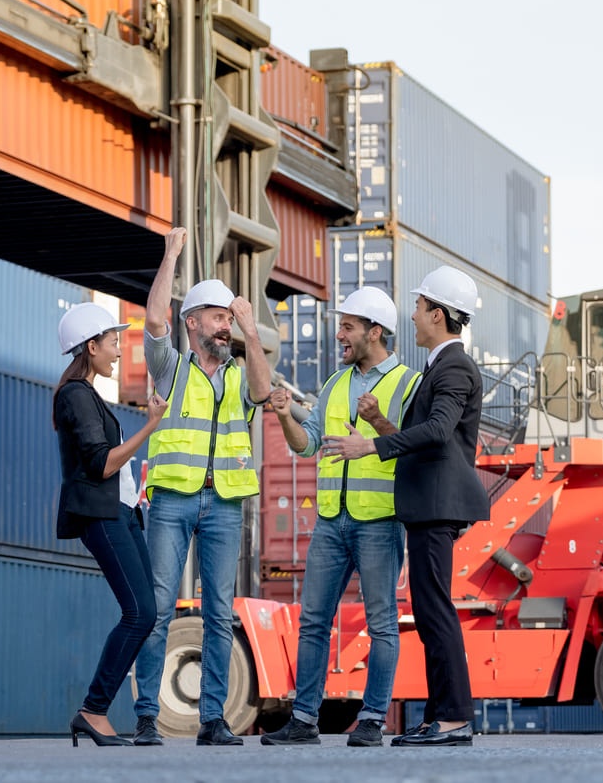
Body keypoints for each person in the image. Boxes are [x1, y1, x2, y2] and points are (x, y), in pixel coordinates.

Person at [322, 266, 490, 748]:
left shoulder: (454, 366)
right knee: (430, 608)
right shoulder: (442, 367)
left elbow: (437, 432)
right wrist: (378, 423)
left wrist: (368, 449)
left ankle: (455, 718)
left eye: (418, 308)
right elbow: (425, 442)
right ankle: (439, 716)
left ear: (437, 315)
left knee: (436, 611)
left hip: (436, 505)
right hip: (428, 503)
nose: (412, 316)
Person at [260, 287, 420, 748]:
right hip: (331, 521)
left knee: (381, 622)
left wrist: (377, 424)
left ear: (375, 332)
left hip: (379, 520)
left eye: (348, 326)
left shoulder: (408, 384)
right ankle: (304, 719)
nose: (339, 334)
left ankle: (372, 719)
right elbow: (305, 444)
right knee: (313, 620)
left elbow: (416, 447)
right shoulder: (333, 384)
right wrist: (285, 416)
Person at [132, 227, 273, 746]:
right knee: (158, 609)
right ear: (192, 323)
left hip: (225, 504)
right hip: (173, 500)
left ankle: (212, 719)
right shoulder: (170, 368)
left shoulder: (240, 372)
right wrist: (170, 254)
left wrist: (252, 332)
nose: (226, 326)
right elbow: (152, 320)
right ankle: (147, 715)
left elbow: (263, 392)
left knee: (218, 613)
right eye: (218, 317)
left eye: (228, 318)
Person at [54, 303, 167, 747]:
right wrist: (150, 428)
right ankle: (93, 710)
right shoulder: (75, 395)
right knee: (139, 613)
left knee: (148, 611)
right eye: (113, 341)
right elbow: (100, 464)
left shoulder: (90, 393)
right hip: (101, 514)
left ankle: (94, 710)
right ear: (90, 346)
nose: (120, 349)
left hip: (122, 512)